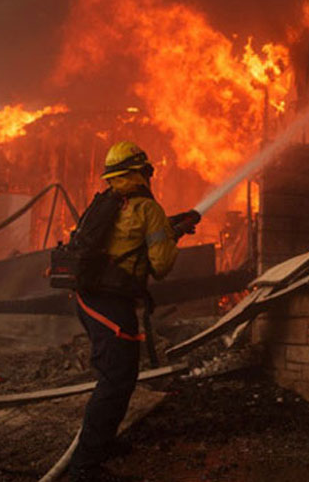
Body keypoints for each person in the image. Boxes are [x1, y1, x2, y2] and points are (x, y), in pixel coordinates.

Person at [69, 141, 199, 481]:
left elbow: (129, 239)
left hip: (90, 299)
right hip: (110, 303)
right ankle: (85, 465)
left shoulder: (111, 202)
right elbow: (161, 265)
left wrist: (169, 229)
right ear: (142, 172)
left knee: (122, 376)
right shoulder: (147, 209)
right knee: (116, 379)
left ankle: (102, 444)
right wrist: (172, 237)